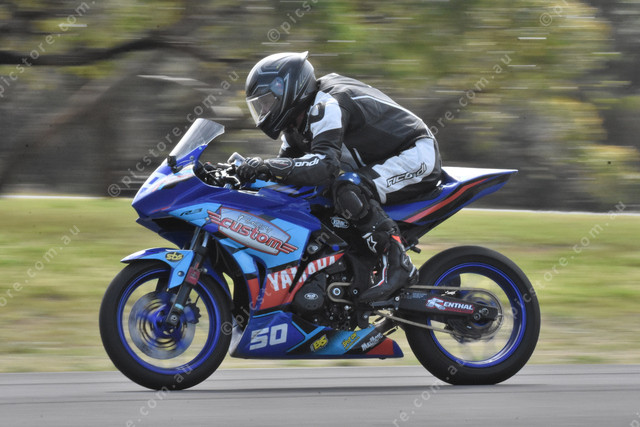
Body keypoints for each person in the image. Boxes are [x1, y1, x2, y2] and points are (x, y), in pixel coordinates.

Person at [237, 52, 442, 304]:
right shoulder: (295, 125)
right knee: (316, 197)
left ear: (288, 90)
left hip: (416, 154)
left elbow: (325, 166)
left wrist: (265, 165)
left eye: (267, 102)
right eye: (261, 105)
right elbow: (290, 171)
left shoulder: (327, 104)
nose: (264, 111)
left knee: (347, 187)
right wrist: (242, 173)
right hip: (386, 161)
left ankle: (398, 263)